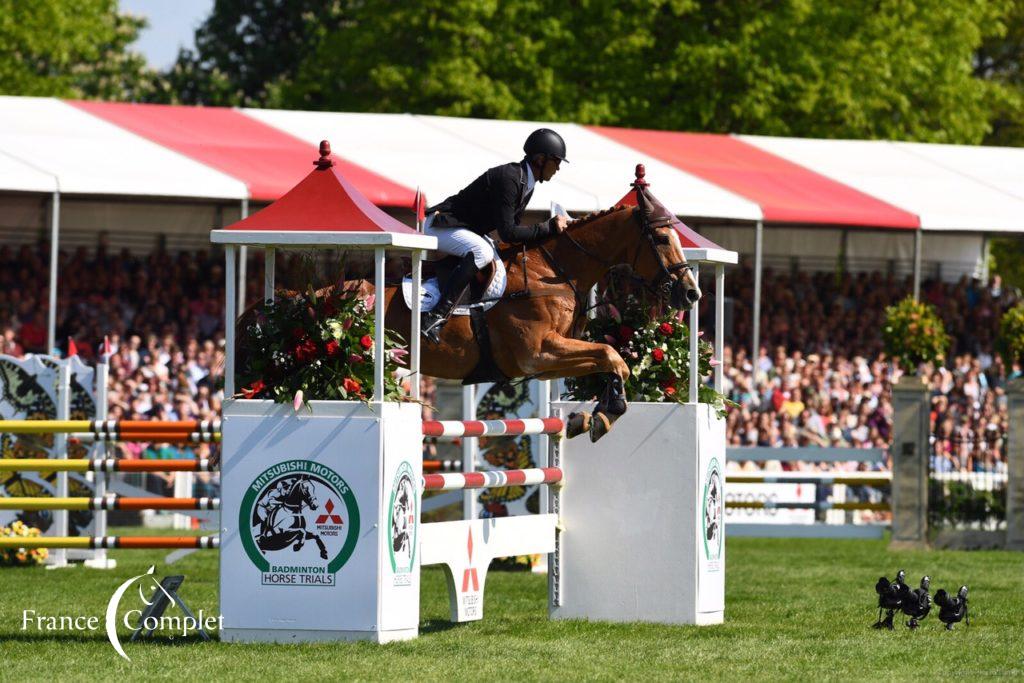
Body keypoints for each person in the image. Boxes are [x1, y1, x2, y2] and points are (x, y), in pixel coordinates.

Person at [420, 128, 570, 342]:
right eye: (556, 161)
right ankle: (435, 317)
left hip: (462, 229)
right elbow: (508, 233)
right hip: (441, 225)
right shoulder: (510, 178)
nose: (557, 168)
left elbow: (515, 233)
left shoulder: (526, 182)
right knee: (481, 251)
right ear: (539, 159)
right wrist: (549, 227)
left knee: (494, 253)